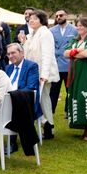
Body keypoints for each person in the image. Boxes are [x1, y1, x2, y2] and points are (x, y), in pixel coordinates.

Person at [19, 9, 59, 139]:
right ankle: (46, 124)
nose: (31, 20)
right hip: (34, 73)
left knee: (42, 99)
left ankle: (48, 126)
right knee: (39, 99)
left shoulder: (45, 33)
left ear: (41, 21)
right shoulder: (33, 34)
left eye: (35, 18)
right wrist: (24, 42)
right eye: (30, 18)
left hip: (43, 72)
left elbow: (47, 55)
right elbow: (27, 54)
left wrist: (44, 74)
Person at [64, 17, 87, 141]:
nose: (78, 28)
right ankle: (83, 125)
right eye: (77, 26)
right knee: (77, 96)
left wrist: (74, 53)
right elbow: (65, 53)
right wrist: (78, 51)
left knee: (86, 95)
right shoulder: (75, 39)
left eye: (81, 25)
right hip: (75, 71)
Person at [49, 10, 78, 114]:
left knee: (70, 90)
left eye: (61, 15)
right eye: (56, 16)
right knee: (53, 91)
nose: (58, 17)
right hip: (56, 65)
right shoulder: (51, 30)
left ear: (66, 16)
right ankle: (51, 111)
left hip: (70, 64)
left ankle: (68, 111)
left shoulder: (75, 30)